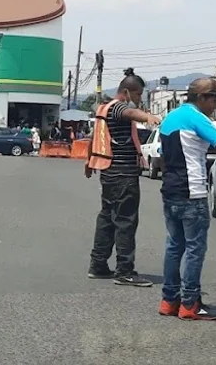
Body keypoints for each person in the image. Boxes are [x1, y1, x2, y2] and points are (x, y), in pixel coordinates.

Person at [158, 77, 216, 320]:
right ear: (201, 97)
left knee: (174, 247)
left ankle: (169, 301)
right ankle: (190, 304)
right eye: (214, 99)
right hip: (193, 193)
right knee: (194, 249)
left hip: (170, 192)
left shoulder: (170, 118)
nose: (215, 105)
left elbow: (163, 156)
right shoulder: (196, 118)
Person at [86, 68, 161, 287]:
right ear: (127, 92)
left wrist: (89, 162)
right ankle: (125, 271)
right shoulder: (119, 107)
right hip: (122, 174)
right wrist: (147, 116)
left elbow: (95, 138)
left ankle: (98, 265)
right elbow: (129, 113)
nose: (138, 101)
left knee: (107, 219)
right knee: (126, 221)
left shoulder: (104, 108)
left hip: (109, 172)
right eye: (137, 95)